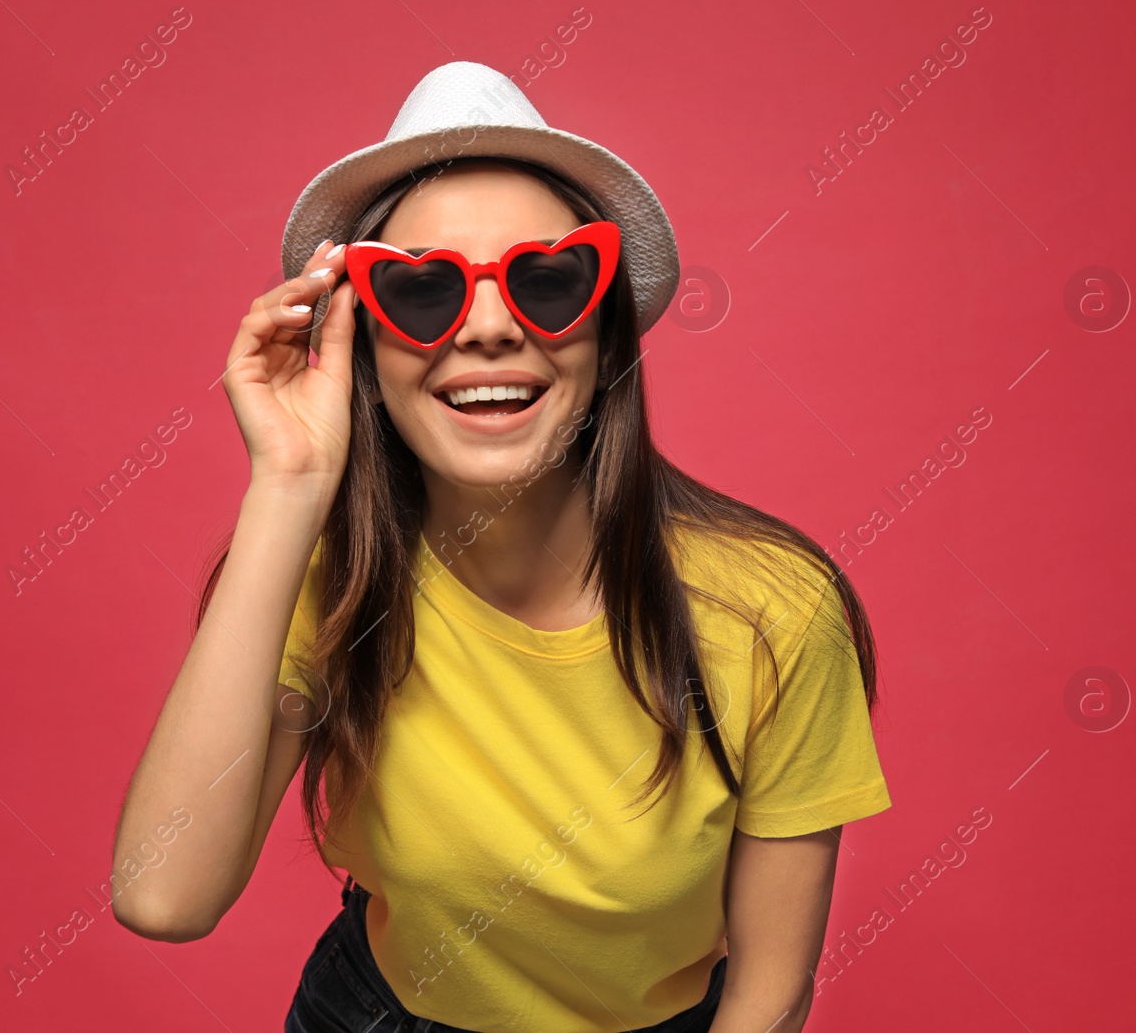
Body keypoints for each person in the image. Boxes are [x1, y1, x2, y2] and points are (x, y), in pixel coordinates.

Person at [111, 61, 892, 1033]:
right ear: (359, 344)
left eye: (546, 281)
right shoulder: (329, 579)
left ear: (604, 339)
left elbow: (769, 992)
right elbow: (163, 896)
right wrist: (289, 484)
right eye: (423, 292)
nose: (486, 327)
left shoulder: (771, 609)